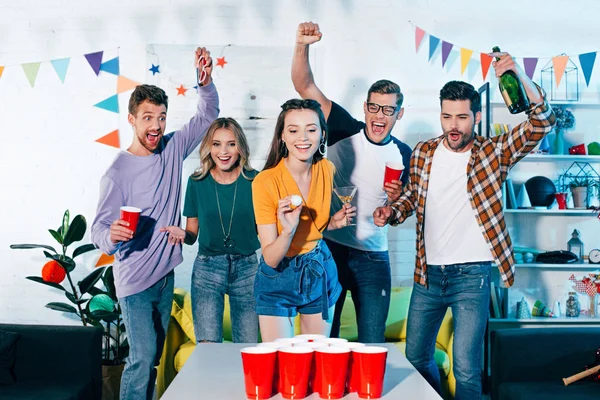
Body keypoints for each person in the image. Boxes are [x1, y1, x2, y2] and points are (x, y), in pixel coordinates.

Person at [373, 52, 556, 399]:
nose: (453, 126)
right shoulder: (424, 152)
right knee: (415, 357)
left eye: (461, 117)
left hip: (472, 275)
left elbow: (542, 122)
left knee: (467, 370)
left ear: (476, 116)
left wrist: (517, 72)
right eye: (446, 116)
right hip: (428, 275)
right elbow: (411, 198)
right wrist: (391, 213)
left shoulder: (494, 152)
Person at [91, 47, 219, 400]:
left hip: (165, 275)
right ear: (132, 119)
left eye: (161, 117)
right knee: (141, 357)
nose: (157, 126)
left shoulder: (172, 149)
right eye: (148, 117)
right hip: (134, 280)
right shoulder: (117, 173)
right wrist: (111, 235)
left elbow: (208, 114)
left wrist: (204, 83)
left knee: (153, 359)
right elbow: (98, 230)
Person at [291, 21, 412, 343]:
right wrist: (302, 44)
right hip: (330, 248)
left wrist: (398, 203)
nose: (379, 115)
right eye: (374, 107)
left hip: (374, 258)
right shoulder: (344, 128)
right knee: (321, 339)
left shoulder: (404, 155)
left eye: (388, 109)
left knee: (372, 343)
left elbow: (407, 209)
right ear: (366, 107)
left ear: (398, 114)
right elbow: (304, 85)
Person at [252, 98, 356, 342]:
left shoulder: (326, 170)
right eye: (293, 130)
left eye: (311, 129)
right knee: (280, 362)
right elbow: (270, 258)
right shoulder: (265, 182)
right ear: (282, 137)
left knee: (317, 359)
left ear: (322, 135)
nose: (303, 137)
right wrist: (287, 232)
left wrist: (333, 223)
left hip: (319, 268)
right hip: (279, 274)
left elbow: (313, 228)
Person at [162, 117, 260, 343]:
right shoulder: (197, 182)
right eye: (216, 144)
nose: (223, 151)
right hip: (208, 268)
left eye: (231, 144)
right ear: (209, 147)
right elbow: (192, 234)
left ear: (240, 147)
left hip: (247, 269)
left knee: (247, 347)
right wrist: (182, 235)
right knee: (207, 348)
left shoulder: (256, 180)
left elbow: (266, 229)